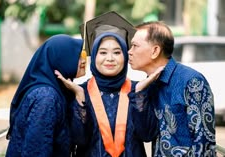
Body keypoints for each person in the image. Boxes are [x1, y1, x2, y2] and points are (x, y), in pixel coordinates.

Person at [55, 11, 163, 157]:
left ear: (125, 56)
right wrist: (80, 99)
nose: (110, 58)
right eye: (103, 52)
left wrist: (139, 94)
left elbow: (148, 135)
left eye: (117, 52)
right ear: (94, 56)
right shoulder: (79, 91)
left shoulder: (139, 90)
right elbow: (79, 140)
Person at [128, 21, 216, 156]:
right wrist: (139, 93)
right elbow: (146, 135)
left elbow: (204, 143)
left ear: (155, 51)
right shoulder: (148, 85)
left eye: (135, 46)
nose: (130, 52)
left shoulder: (191, 81)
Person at [5, 34, 87, 157]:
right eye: (78, 56)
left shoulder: (59, 91)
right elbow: (36, 151)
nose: (84, 60)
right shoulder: (46, 98)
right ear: (60, 59)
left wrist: (79, 95)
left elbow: (78, 139)